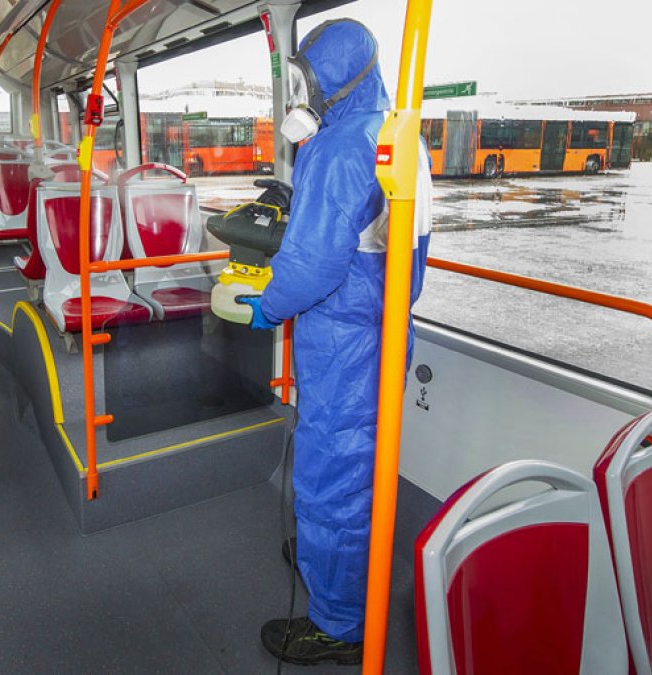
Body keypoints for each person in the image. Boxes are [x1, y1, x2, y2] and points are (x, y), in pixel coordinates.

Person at [237, 18, 433, 666]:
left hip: (345, 338)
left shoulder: (344, 145)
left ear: (333, 79)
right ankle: (341, 568)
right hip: (382, 327)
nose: (302, 92)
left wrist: (265, 305)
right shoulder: (393, 129)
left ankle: (339, 623)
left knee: (332, 477)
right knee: (364, 469)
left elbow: (315, 264)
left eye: (307, 79)